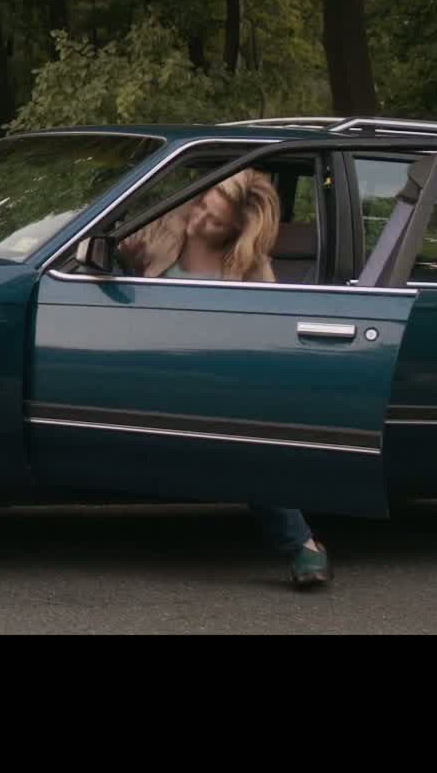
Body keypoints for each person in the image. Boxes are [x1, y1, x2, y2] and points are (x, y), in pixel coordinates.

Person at [119, 168, 333, 589]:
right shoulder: (165, 230)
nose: (199, 219)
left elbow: (271, 332)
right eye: (202, 205)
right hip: (146, 365)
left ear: (235, 229)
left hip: (212, 378)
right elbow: (111, 256)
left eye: (214, 221)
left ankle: (303, 546)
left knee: (245, 441)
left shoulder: (250, 267)